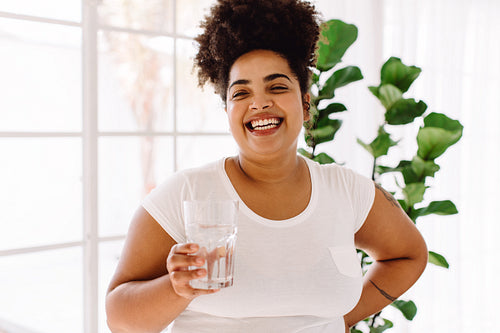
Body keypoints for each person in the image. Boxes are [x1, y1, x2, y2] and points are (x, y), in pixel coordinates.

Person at [105, 0, 428, 332]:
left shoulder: (346, 191)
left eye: (276, 87)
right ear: (228, 110)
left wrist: (336, 320)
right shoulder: (187, 192)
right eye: (241, 93)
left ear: (305, 105)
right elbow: (120, 318)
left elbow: (408, 256)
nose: (259, 102)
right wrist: (176, 289)